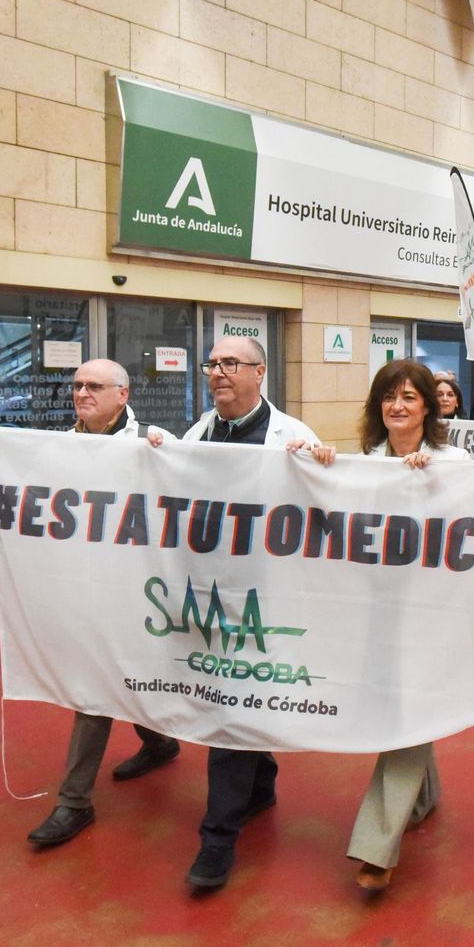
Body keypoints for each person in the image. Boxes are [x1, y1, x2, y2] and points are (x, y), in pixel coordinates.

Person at [0, 359, 179, 849]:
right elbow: (25, 489)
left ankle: (75, 801)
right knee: (105, 676)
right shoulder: (61, 446)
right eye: (77, 385)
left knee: (98, 685)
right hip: (85, 587)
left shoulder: (154, 442)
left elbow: (189, 498)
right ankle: (158, 742)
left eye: (94, 386)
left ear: (122, 395)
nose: (82, 393)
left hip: (137, 588)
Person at [148, 337, 320, 891]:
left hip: (263, 601)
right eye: (213, 364)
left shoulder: (292, 437)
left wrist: (319, 466)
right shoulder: (199, 433)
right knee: (237, 697)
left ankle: (218, 837)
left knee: (230, 705)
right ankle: (261, 784)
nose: (218, 372)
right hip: (206, 592)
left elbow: (326, 509)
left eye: (231, 364)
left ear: (260, 372)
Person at [292, 360, 468, 891]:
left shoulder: (453, 461)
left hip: (430, 609)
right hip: (375, 607)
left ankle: (377, 842)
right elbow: (342, 518)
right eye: (389, 397)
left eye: (410, 397)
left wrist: (434, 484)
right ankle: (425, 796)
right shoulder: (366, 462)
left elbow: (472, 523)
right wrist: (321, 469)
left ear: (428, 406)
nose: (398, 406)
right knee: (396, 703)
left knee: (404, 705)